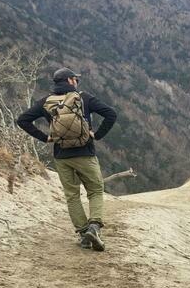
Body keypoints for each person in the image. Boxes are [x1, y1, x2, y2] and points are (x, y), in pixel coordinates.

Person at [17, 67, 117, 251]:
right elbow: (111, 114)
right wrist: (97, 134)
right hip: (85, 153)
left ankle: (83, 234)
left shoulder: (46, 102)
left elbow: (22, 120)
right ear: (70, 81)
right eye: (75, 79)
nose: (77, 82)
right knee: (95, 190)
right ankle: (94, 227)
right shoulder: (84, 98)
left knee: (72, 196)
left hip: (62, 156)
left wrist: (44, 137)